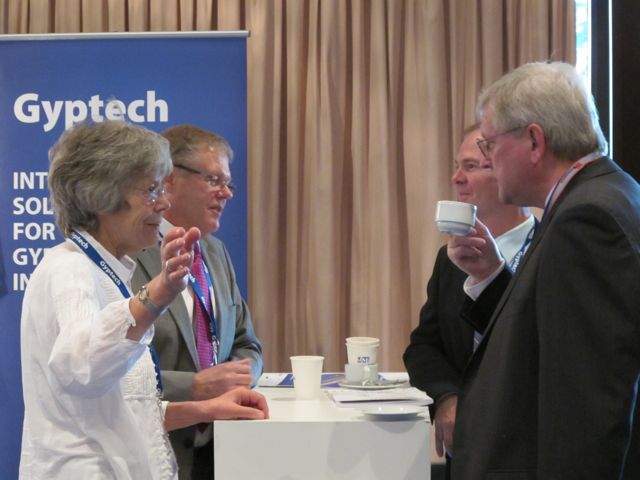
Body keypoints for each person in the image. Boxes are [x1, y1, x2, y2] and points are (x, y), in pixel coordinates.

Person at [20, 121, 268, 480]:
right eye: (151, 190)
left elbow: (125, 409)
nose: (163, 203)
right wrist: (156, 295)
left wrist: (209, 408)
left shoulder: (108, 271)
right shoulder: (69, 270)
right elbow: (82, 366)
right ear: (98, 197)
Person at [447, 62, 640, 479]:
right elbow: (543, 336)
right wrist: (491, 275)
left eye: (489, 144)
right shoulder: (596, 197)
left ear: (534, 141)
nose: (487, 159)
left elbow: (586, 409)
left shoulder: (587, 220)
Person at [132, 124, 263, 479]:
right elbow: (114, 371)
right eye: (214, 180)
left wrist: (243, 375)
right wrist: (195, 386)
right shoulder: (131, 254)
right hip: (153, 454)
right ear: (170, 179)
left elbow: (247, 342)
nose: (227, 193)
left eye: (229, 183)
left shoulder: (216, 252)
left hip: (222, 452)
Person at [403, 124, 534, 477]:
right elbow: (423, 347)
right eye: (457, 166)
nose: (456, 178)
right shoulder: (452, 258)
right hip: (465, 453)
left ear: (506, 171)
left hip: (527, 450)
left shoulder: (548, 248)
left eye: (471, 166)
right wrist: (447, 398)